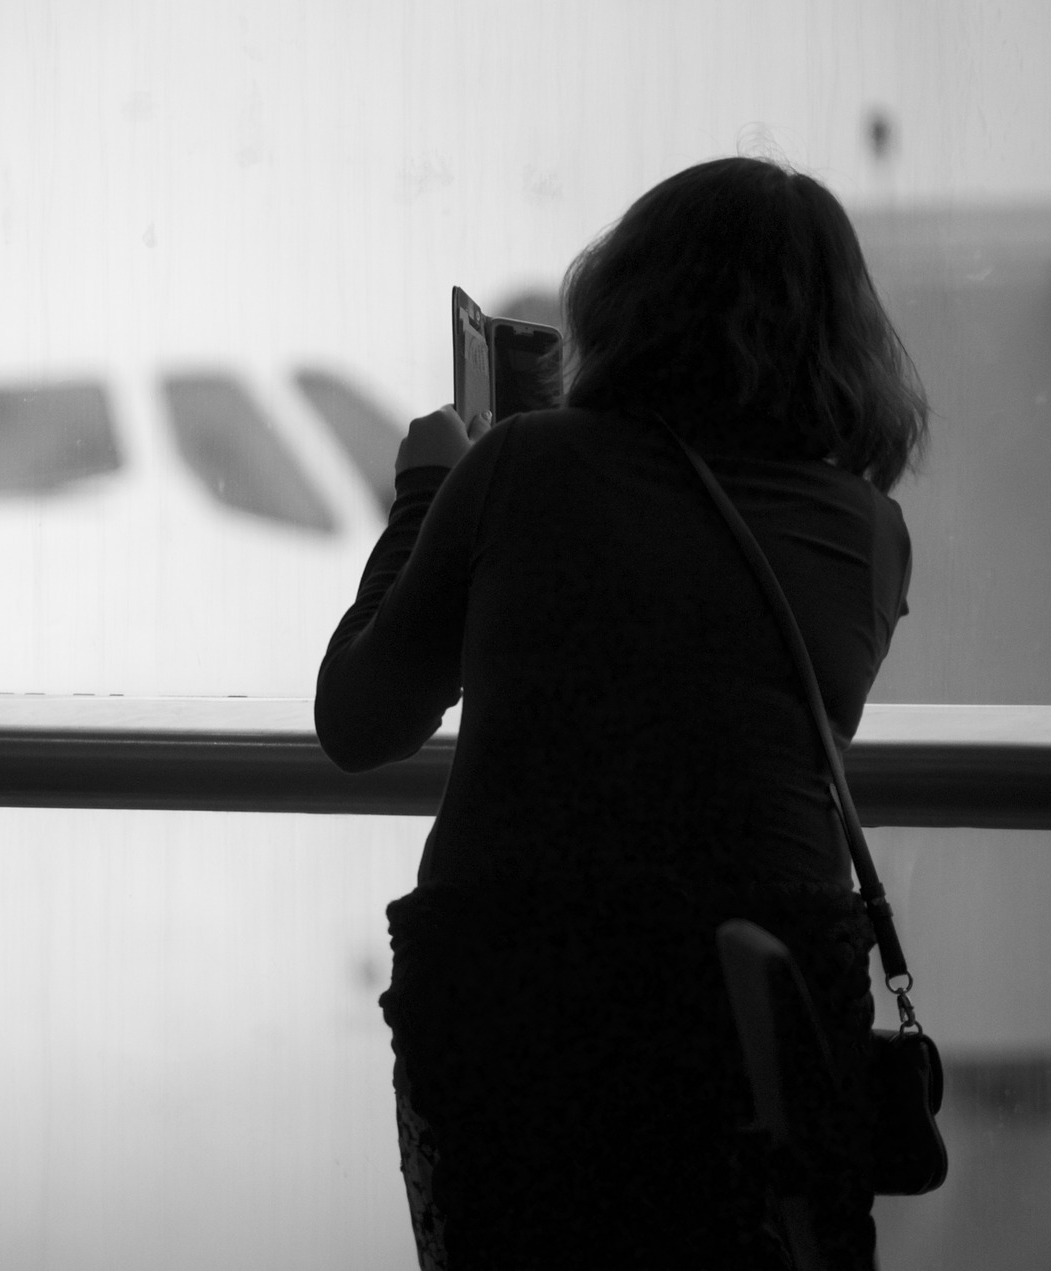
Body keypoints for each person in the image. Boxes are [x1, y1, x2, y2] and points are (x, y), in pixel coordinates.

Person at [316, 157, 927, 1269]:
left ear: (626, 300)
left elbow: (363, 719)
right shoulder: (872, 531)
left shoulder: (520, 464)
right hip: (770, 1002)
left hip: (525, 995)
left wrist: (428, 488)